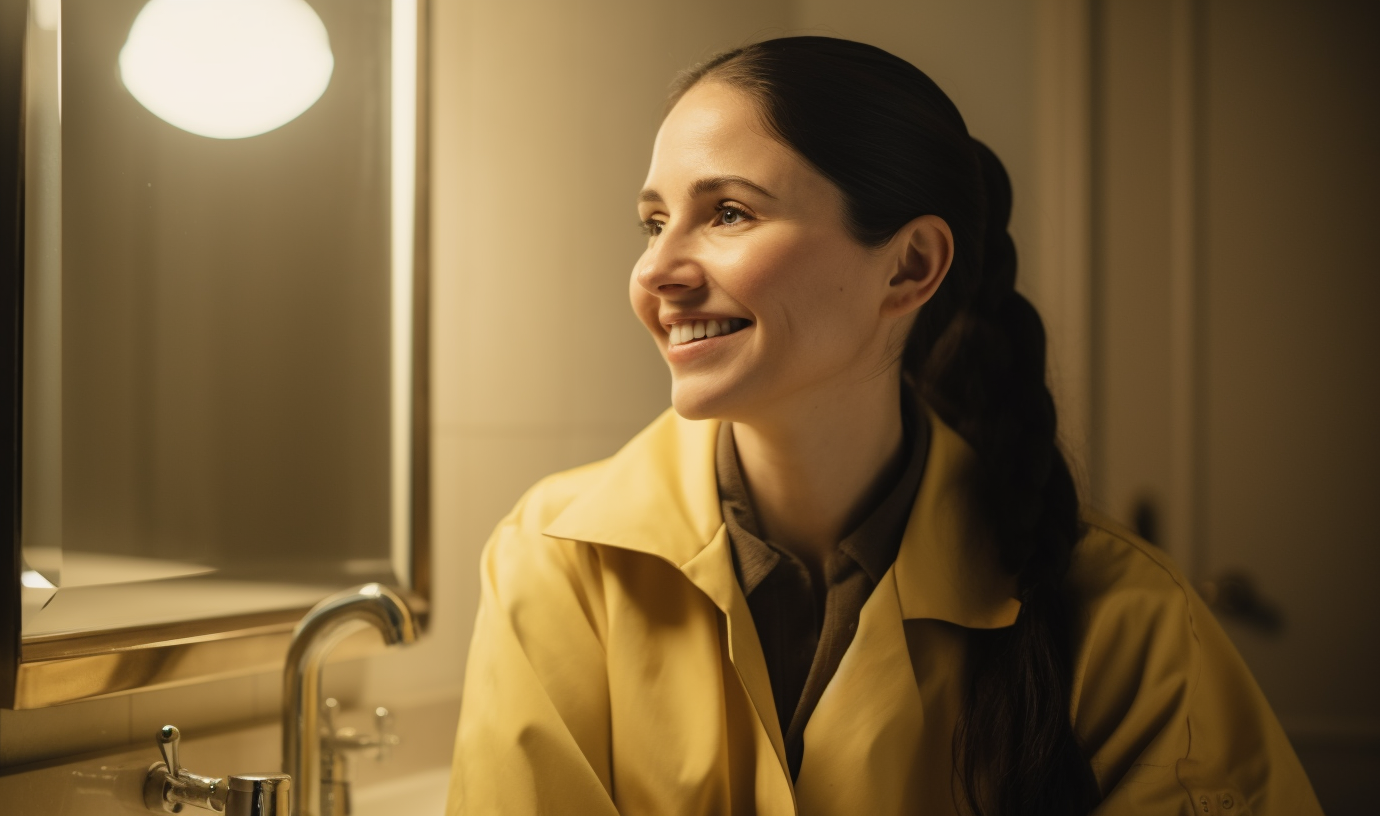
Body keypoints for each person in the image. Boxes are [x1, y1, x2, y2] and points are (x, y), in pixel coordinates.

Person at [446, 37, 1320, 815]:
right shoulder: (553, 562)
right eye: (653, 221)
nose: (658, 271)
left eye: (729, 213)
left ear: (910, 266)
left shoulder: (1128, 619)